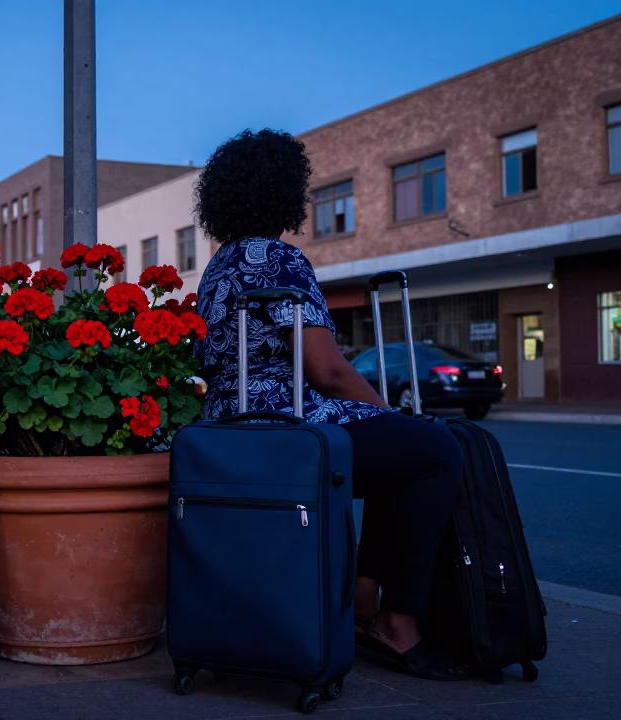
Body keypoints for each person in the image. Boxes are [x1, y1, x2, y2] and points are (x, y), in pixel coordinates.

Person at [193, 129, 465, 681]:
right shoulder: (279, 259)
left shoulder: (218, 268)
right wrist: (390, 417)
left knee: (404, 455)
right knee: (433, 449)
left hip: (230, 430)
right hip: (289, 431)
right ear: (285, 192)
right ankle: (396, 620)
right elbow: (331, 373)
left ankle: (364, 600)